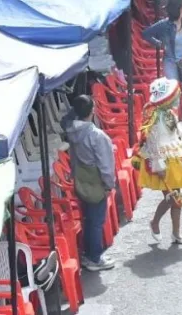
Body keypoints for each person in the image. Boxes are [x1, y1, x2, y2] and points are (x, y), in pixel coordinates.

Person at [133, 78, 182, 245]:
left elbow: (179, 131)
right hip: (163, 160)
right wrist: (159, 165)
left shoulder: (169, 113)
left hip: (176, 156)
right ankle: (155, 222)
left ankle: (176, 233)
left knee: (177, 196)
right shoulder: (154, 119)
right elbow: (152, 142)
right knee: (173, 197)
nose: (178, 98)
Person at [63, 96, 116, 271]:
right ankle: (94, 257)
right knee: (95, 222)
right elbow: (106, 165)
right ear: (92, 110)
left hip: (80, 180)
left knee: (88, 219)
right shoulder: (97, 136)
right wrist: (109, 185)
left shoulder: (70, 129)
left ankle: (89, 254)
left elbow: (66, 119)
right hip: (95, 182)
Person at [143, 0, 182, 136]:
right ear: (179, 9)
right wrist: (159, 44)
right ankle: (173, 126)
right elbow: (146, 34)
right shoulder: (164, 25)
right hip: (170, 62)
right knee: (172, 97)